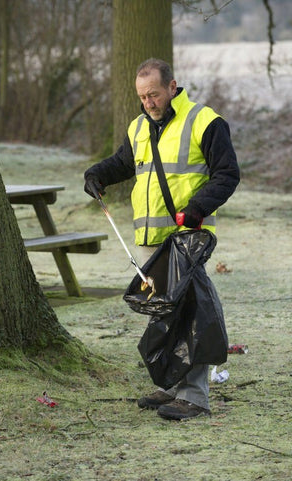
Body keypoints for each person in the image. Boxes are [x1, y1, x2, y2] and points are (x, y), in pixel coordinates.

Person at [84, 58, 240, 421]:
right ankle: (171, 386)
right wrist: (97, 175)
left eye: (154, 94)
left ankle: (195, 396)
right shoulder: (139, 126)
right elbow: (125, 163)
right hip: (149, 239)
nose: (149, 102)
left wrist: (198, 208)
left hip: (187, 238)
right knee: (163, 314)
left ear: (172, 87)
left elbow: (228, 173)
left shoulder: (206, 121)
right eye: (142, 96)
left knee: (191, 315)